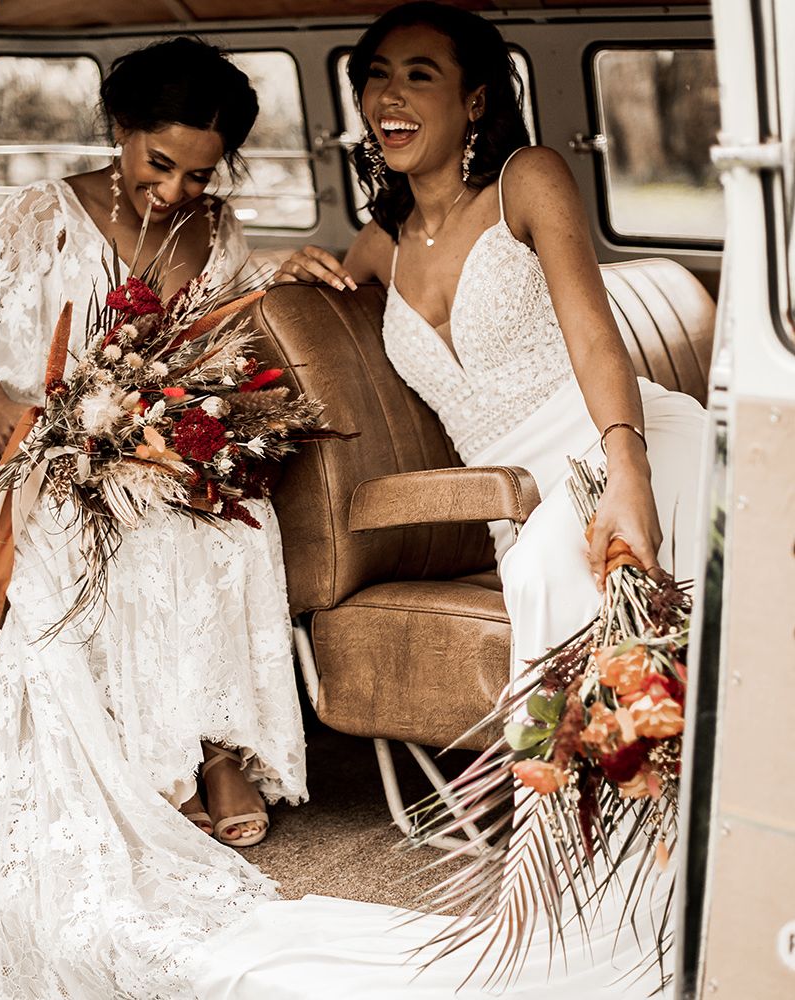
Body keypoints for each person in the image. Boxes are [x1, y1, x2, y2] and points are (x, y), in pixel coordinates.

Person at [201, 3, 706, 996]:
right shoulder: (378, 244)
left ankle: (650, 863)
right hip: (512, 488)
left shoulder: (528, 180)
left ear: (475, 97)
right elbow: (323, 294)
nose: (388, 95)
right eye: (375, 75)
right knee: (550, 565)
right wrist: (289, 272)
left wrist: (629, 476)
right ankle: (599, 878)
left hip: (628, 440)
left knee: (569, 565)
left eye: (418, 75)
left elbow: (594, 333)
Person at [0, 38, 306, 1000]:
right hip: (44, 456)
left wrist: (187, 433)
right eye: (159, 165)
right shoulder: (41, 212)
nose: (175, 192)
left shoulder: (215, 230)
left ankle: (217, 750)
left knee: (231, 522)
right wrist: (11, 418)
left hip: (145, 445)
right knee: (124, 538)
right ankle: (163, 773)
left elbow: (219, 350)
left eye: (197, 173)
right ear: (120, 132)